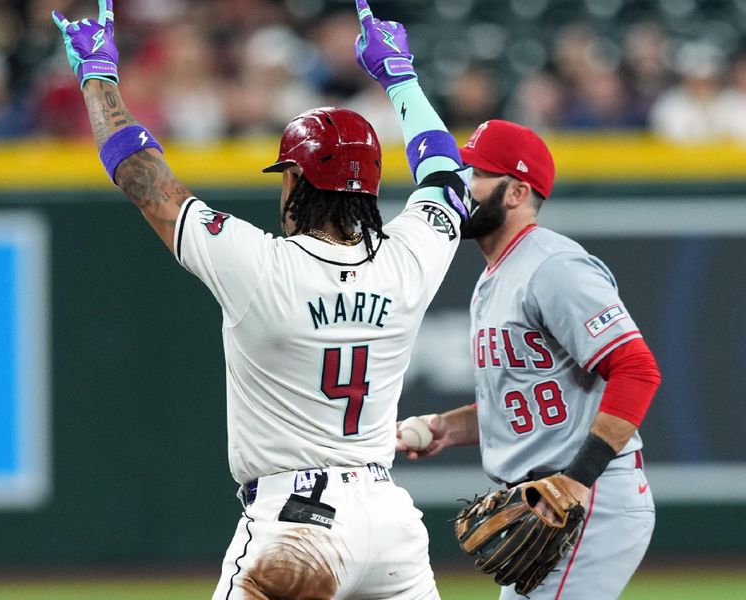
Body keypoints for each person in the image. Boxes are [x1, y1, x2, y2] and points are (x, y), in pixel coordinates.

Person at [52, 1, 472, 598]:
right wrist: (400, 75)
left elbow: (142, 175)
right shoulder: (409, 260)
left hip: (299, 524)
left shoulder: (259, 265)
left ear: (297, 181)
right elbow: (447, 175)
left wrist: (98, 75)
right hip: (393, 526)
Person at [398, 118, 662, 600]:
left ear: (516, 193)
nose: (460, 186)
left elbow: (636, 369)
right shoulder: (495, 277)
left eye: (476, 173)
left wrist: (579, 481)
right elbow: (536, 400)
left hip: (586, 499)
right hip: (542, 502)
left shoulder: (553, 265)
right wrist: (445, 427)